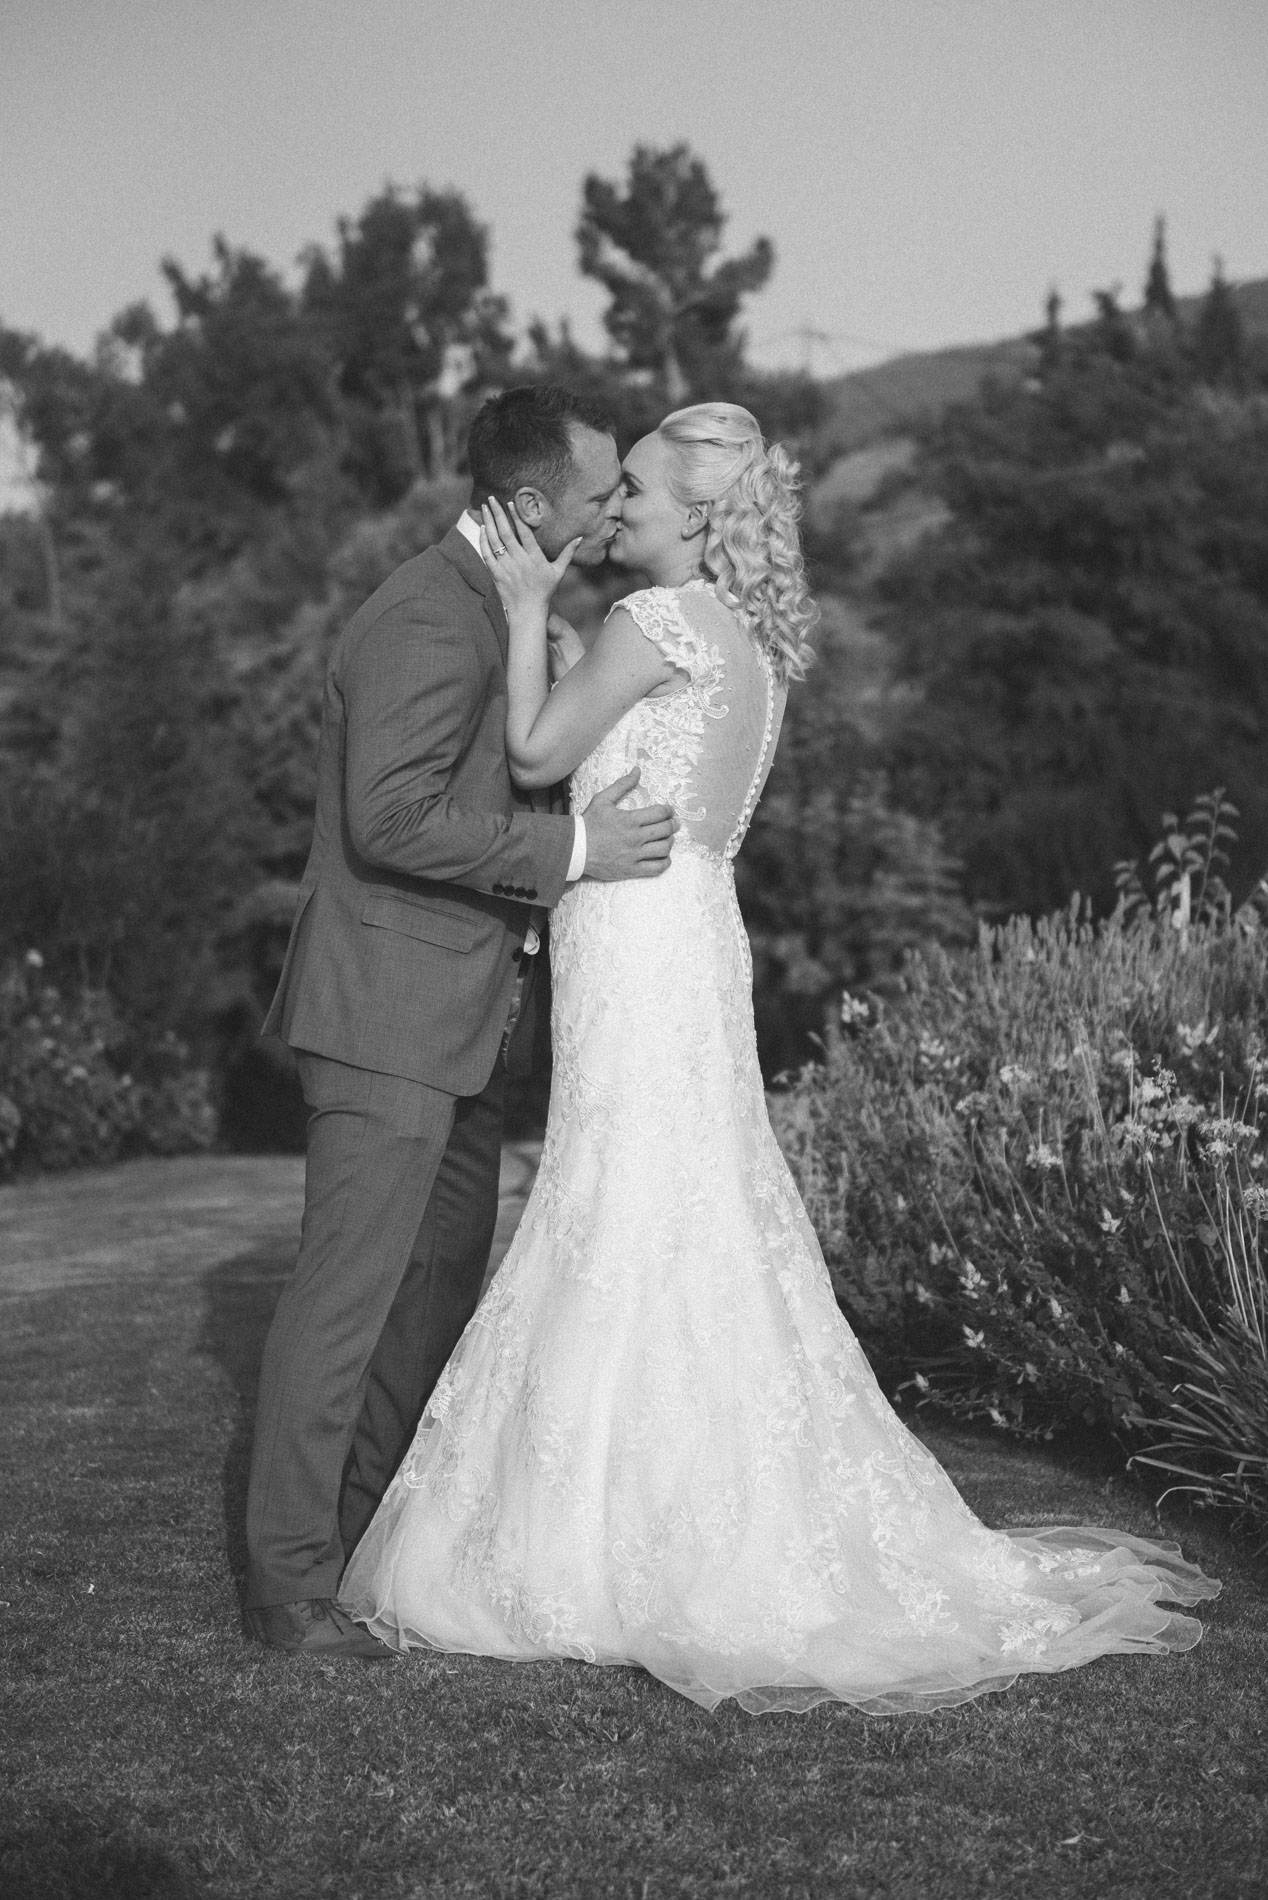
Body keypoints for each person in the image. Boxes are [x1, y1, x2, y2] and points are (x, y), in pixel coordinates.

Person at [340, 403, 1218, 1712]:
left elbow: (533, 751)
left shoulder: (648, 621)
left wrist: (525, 610)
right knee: (689, 1202)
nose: (614, 507)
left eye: (636, 490)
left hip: (630, 939)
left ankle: (606, 1536)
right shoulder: (743, 641)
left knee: (624, 1198)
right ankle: (691, 1508)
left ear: (698, 513)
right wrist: (574, 652)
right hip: (694, 930)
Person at [243, 387, 677, 1658]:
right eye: (597, 491)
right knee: (347, 1304)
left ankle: (359, 1545)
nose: (612, 509)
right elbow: (388, 817)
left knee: (427, 1304)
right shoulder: (427, 614)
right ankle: (285, 1583)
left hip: (468, 1023)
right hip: (388, 1011)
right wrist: (577, 849)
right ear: (531, 503)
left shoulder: (502, 605)